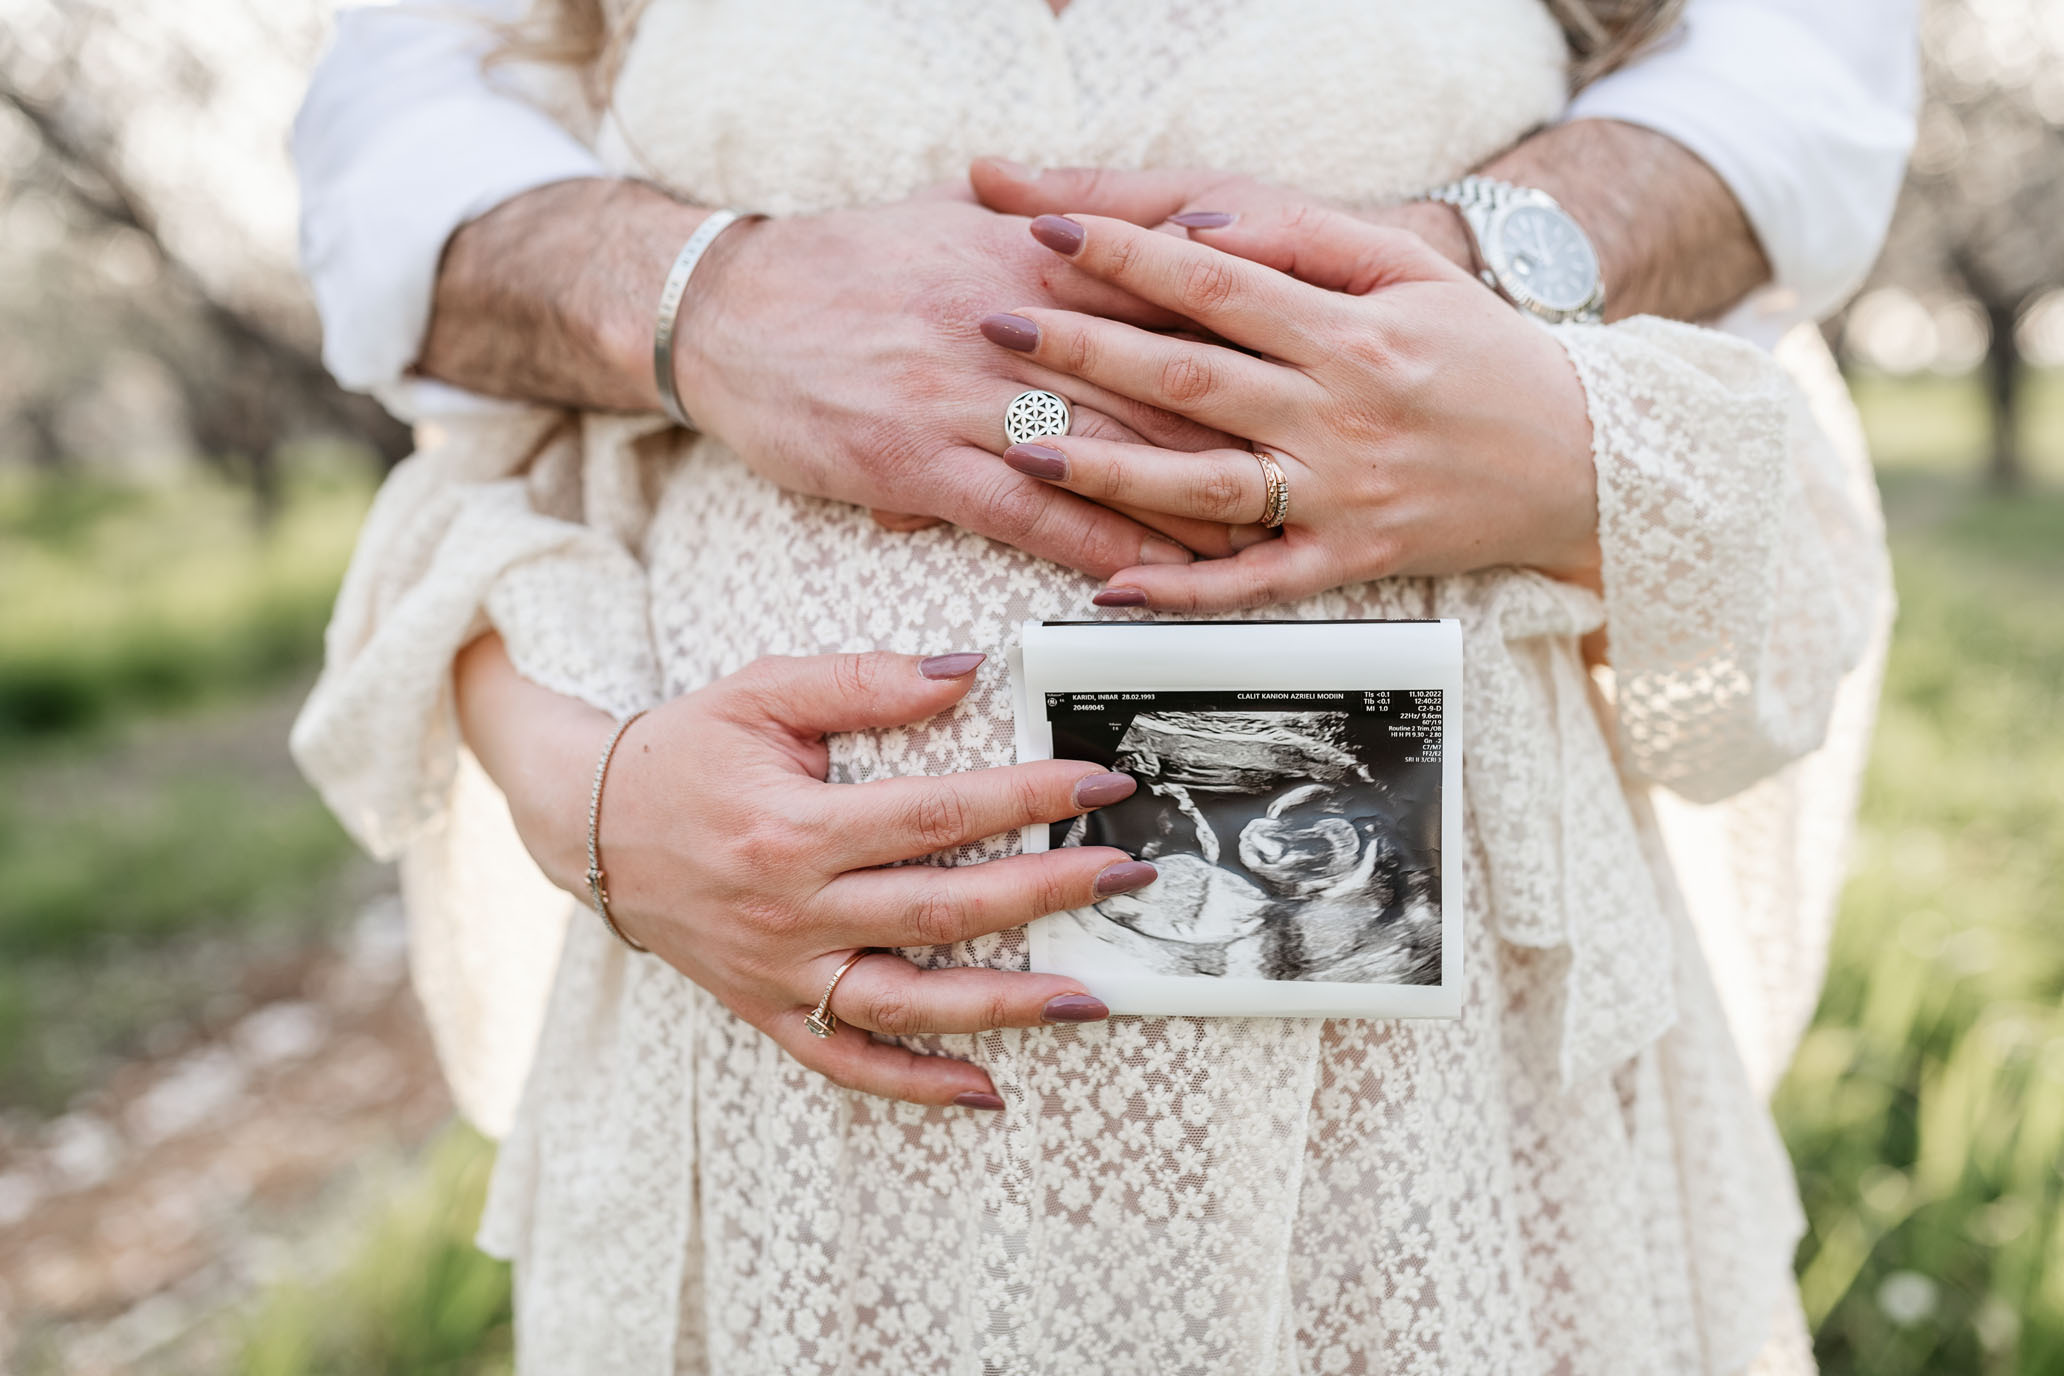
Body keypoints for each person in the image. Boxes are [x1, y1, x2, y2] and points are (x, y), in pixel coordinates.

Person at [289, 2, 1915, 1371]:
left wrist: (1516, 348)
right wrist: (594, 789)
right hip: (806, 1164)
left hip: (1439, 1166)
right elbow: (466, 390)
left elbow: (1787, 164)